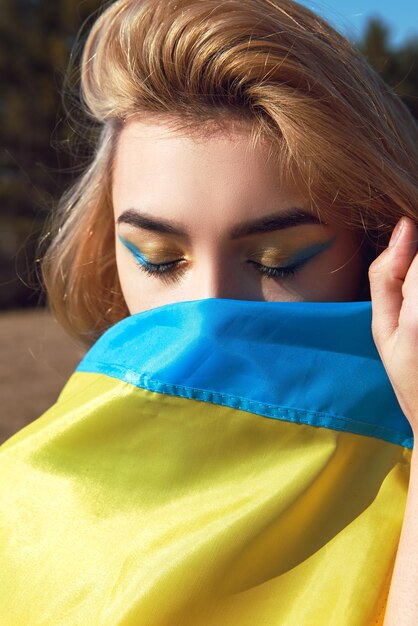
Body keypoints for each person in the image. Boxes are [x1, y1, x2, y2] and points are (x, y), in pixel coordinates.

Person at [0, 0, 417, 623]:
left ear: (380, 245)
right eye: (159, 259)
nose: (208, 315)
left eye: (278, 260)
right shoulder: (28, 503)